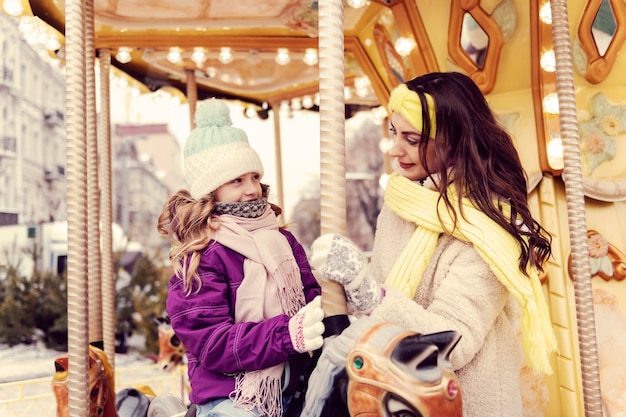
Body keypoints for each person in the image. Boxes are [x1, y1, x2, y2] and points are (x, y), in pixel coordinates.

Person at [310, 72, 557, 417]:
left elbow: (453, 341)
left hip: (464, 401)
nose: (395, 150)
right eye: (394, 132)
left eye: (412, 139)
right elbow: (379, 300)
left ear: (453, 141)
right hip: (395, 393)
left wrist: (368, 292)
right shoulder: (400, 205)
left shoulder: (491, 227)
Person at [157, 99, 324, 417]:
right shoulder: (200, 257)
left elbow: (311, 299)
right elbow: (211, 343)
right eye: (237, 180)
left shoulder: (281, 239)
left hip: (295, 384)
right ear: (211, 189)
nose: (252, 190)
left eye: (254, 177)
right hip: (233, 395)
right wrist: (287, 334)